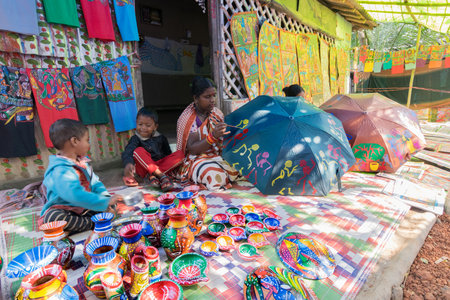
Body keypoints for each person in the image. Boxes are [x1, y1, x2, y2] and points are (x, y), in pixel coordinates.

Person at [40, 119, 121, 233]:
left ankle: (84, 223)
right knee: (52, 218)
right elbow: (74, 195)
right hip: (65, 209)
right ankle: (92, 223)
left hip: (85, 207)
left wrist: (106, 199)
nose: (88, 144)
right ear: (74, 141)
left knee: (113, 203)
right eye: (87, 140)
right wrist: (103, 203)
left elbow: (95, 183)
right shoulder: (59, 170)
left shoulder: (82, 163)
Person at [176, 76, 239, 190]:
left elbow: (224, 142)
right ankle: (219, 176)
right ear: (195, 98)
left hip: (216, 155)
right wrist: (213, 136)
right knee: (213, 175)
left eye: (214, 95)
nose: (212, 100)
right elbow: (192, 148)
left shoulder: (216, 113)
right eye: (207, 97)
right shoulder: (189, 119)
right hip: (196, 159)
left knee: (241, 164)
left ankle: (222, 174)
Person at [122, 107, 184, 191]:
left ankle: (153, 177)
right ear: (136, 123)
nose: (143, 128)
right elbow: (128, 152)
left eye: (148, 125)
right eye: (140, 124)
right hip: (144, 169)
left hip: (158, 166)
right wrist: (128, 163)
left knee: (180, 154)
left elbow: (167, 154)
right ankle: (161, 176)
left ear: (155, 127)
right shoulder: (135, 139)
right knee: (138, 151)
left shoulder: (161, 138)